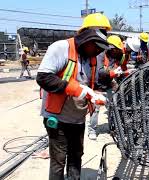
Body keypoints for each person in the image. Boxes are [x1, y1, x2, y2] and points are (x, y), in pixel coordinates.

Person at [36, 13, 111, 180]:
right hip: (57, 118)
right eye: (96, 46)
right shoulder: (61, 48)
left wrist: (95, 94)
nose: (98, 51)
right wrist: (77, 90)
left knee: (76, 156)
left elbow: (91, 84)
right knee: (58, 161)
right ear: (86, 37)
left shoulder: (91, 58)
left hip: (77, 119)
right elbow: (43, 77)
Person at [88, 35, 134, 139]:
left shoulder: (114, 56)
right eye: (116, 49)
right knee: (96, 109)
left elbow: (120, 69)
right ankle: (92, 130)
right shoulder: (100, 55)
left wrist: (126, 72)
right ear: (111, 47)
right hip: (97, 85)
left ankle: (112, 126)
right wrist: (114, 73)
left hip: (108, 84)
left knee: (111, 107)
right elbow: (99, 72)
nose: (118, 52)